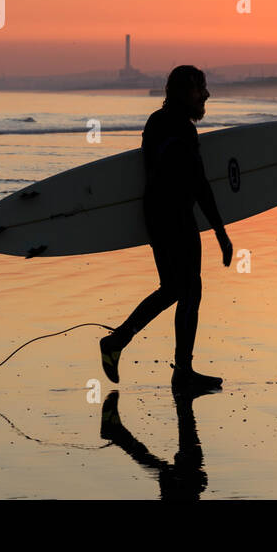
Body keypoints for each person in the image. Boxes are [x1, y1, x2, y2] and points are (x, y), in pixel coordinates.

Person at [100, 65, 233, 392]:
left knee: (174, 289)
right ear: (186, 91)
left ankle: (117, 342)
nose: (207, 95)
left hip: (156, 216)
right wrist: (220, 232)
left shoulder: (156, 122)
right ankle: (181, 372)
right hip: (175, 219)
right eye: (201, 89)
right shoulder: (183, 129)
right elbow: (199, 183)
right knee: (189, 290)